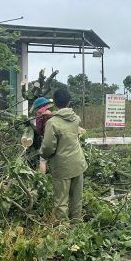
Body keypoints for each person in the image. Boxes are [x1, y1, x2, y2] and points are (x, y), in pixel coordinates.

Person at [40, 87, 88, 222]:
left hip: (62, 167)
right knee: (76, 198)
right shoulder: (75, 119)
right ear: (69, 102)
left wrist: (43, 155)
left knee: (61, 200)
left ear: (54, 102)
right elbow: (64, 117)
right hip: (78, 163)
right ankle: (76, 226)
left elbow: (48, 147)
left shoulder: (52, 123)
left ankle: (63, 231)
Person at [32, 96, 53, 174]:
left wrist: (41, 134)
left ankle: (42, 178)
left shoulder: (39, 114)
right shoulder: (50, 113)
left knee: (43, 160)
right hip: (54, 137)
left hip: (45, 137)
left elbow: (38, 128)